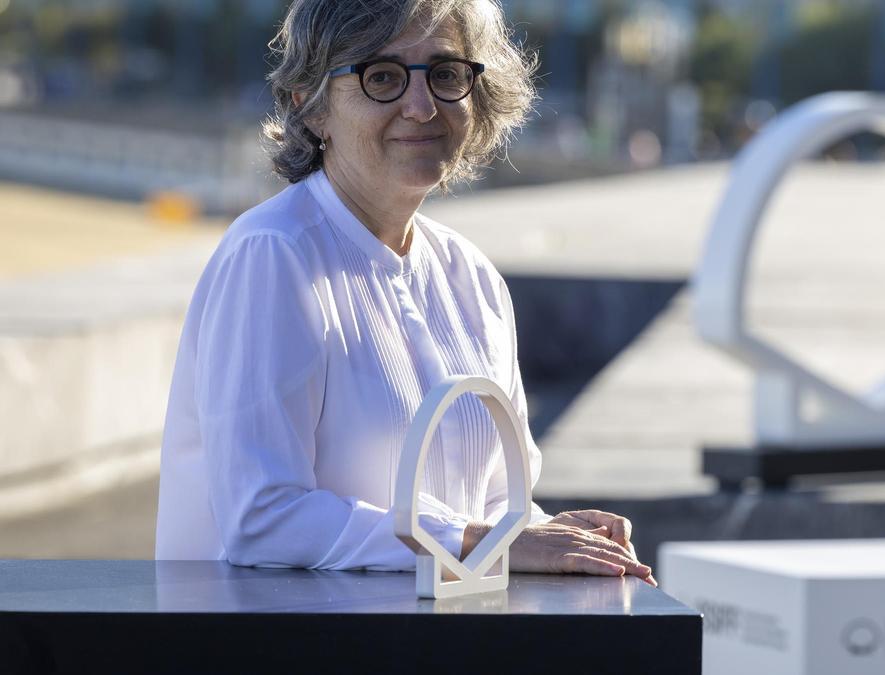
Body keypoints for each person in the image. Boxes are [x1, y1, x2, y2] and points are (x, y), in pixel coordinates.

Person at [155, 0, 654, 586]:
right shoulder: (274, 256)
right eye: (382, 77)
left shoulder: (471, 277)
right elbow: (261, 518)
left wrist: (560, 538)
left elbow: (494, 507)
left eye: (445, 74)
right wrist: (481, 539)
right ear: (310, 106)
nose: (421, 107)